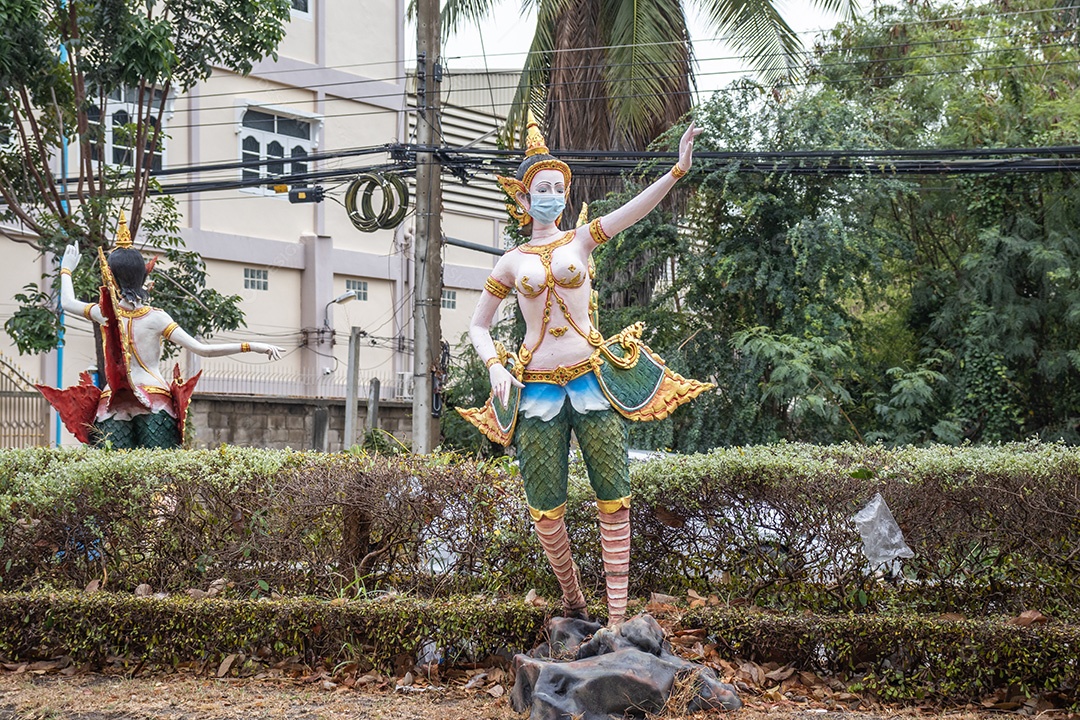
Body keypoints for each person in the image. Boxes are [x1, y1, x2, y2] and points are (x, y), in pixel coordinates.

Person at [459, 115, 712, 626]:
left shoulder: (581, 240)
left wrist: (676, 171)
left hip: (590, 378)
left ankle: (616, 621)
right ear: (524, 201)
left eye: (559, 188)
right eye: (542, 189)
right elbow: (477, 325)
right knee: (546, 507)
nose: (553, 196)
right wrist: (492, 366)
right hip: (535, 392)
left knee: (613, 495)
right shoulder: (510, 262)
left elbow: (632, 212)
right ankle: (574, 601)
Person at [37, 214, 282, 449]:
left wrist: (67, 269)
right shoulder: (156, 317)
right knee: (160, 480)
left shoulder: (105, 313)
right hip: (155, 400)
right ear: (143, 275)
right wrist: (253, 346)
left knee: (114, 481)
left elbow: (67, 302)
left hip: (113, 403)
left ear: (110, 277)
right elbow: (202, 350)